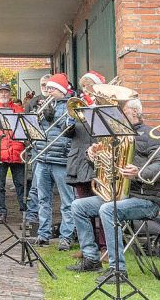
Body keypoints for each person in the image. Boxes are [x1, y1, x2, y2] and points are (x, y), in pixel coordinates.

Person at [67, 98, 160, 285]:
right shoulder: (113, 136)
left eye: (120, 111)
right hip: (117, 194)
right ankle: (91, 259)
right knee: (77, 206)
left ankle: (118, 270)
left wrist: (138, 173)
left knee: (108, 210)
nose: (115, 116)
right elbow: (103, 165)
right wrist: (92, 156)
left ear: (134, 112)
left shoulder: (151, 135)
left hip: (145, 199)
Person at [65, 71, 107, 258]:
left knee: (103, 206)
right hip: (79, 159)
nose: (86, 89)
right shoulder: (78, 107)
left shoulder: (105, 106)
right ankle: (87, 247)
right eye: (83, 86)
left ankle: (105, 246)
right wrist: (70, 118)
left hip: (99, 160)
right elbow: (67, 133)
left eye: (89, 85)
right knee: (82, 205)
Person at [32, 73, 75, 250]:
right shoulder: (45, 105)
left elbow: (70, 130)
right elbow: (35, 130)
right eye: (47, 88)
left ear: (61, 90)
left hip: (61, 159)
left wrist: (55, 118)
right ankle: (43, 234)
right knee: (43, 199)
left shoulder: (70, 106)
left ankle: (66, 236)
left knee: (67, 201)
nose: (48, 91)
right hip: (42, 157)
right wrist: (38, 116)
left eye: (51, 88)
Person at [0, 83, 26, 223]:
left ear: (10, 94)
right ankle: (1, 212)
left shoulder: (18, 109)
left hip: (16, 152)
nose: (4, 94)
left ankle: (24, 212)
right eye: (1, 92)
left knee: (21, 185)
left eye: (6, 92)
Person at [22, 73, 52, 228]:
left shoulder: (57, 101)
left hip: (54, 147)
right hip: (37, 147)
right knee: (35, 184)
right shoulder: (33, 101)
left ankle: (47, 219)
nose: (46, 88)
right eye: (43, 85)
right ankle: (32, 217)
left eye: (48, 85)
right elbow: (26, 123)